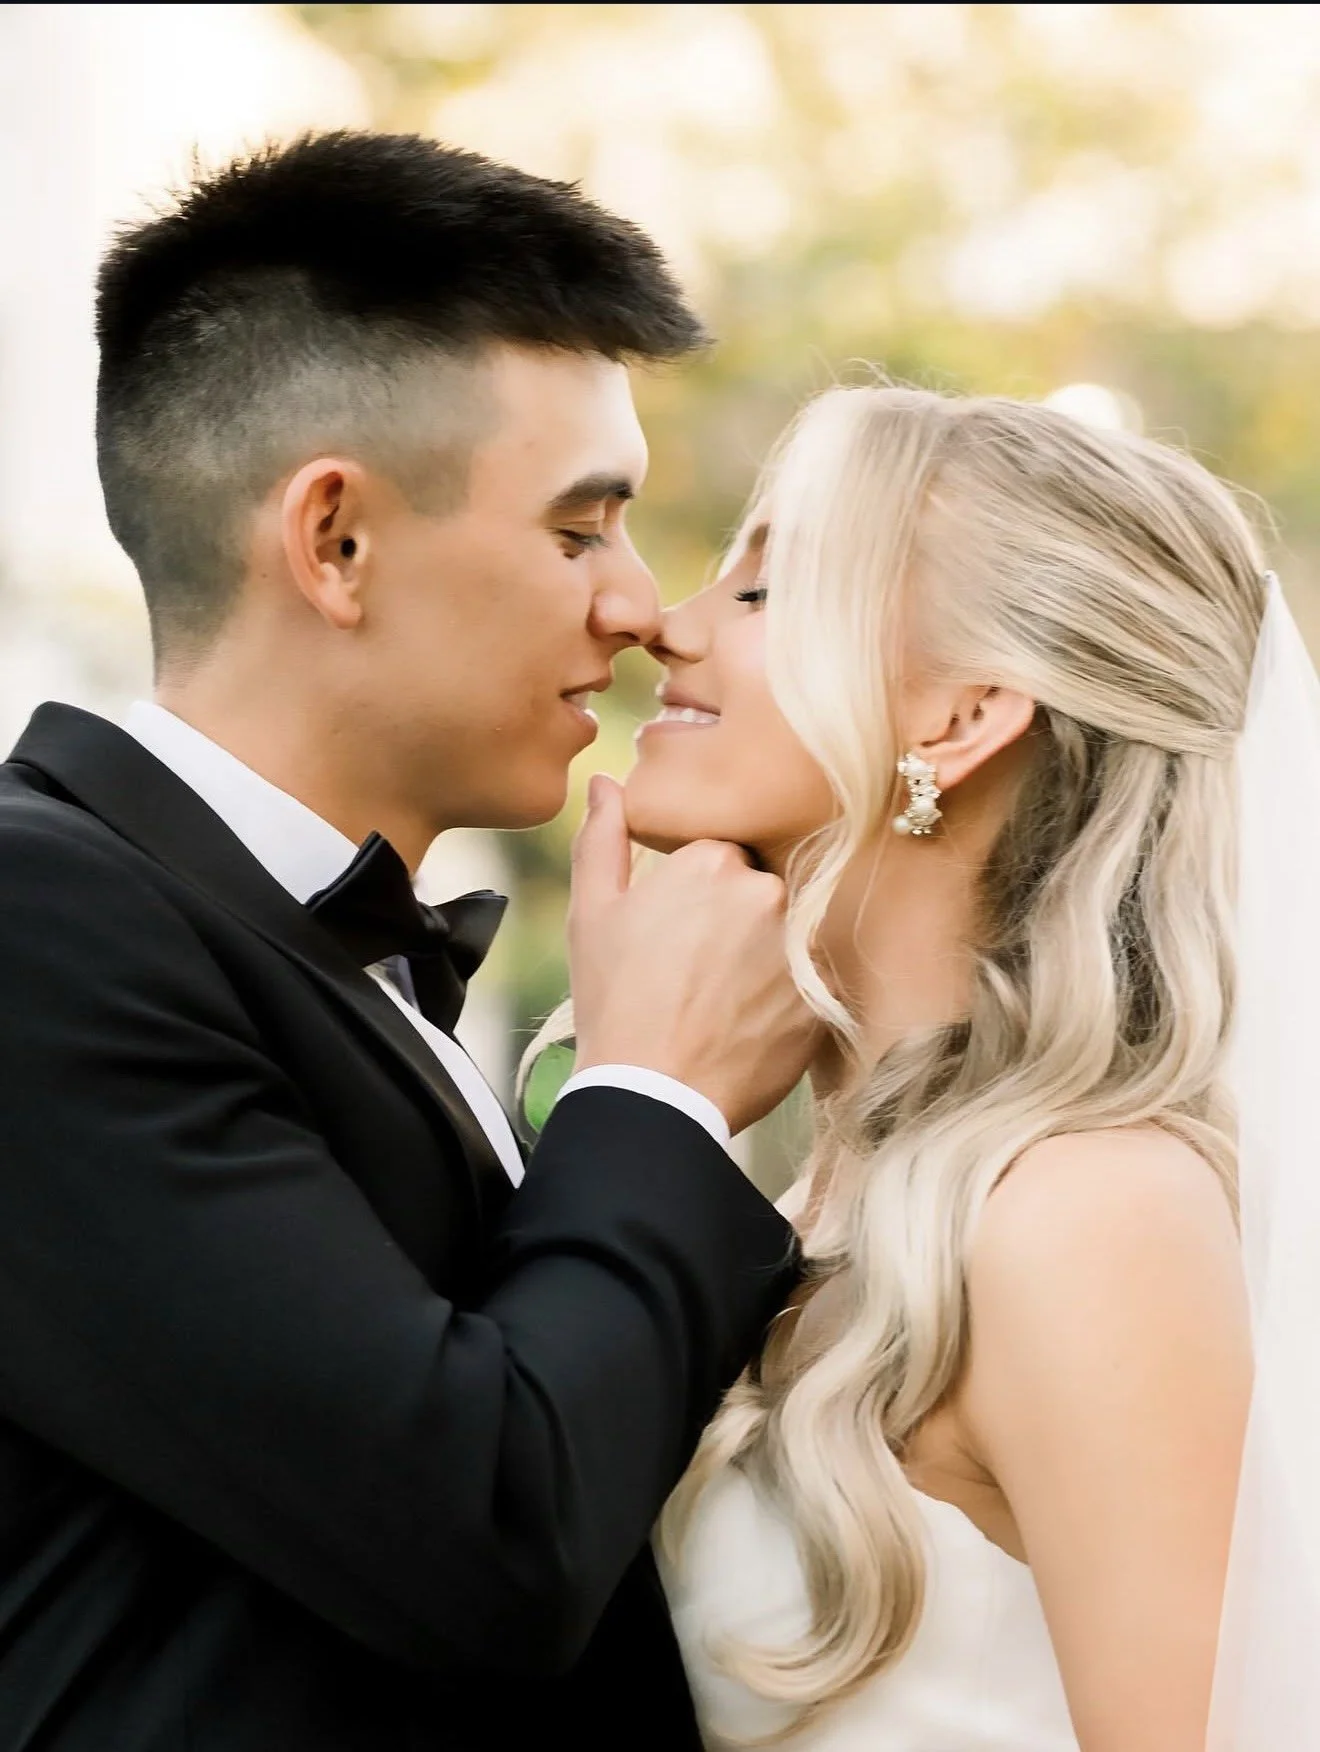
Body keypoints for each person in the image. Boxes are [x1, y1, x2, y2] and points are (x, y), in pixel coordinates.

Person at [0, 133, 817, 1751]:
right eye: (583, 530)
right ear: (334, 542)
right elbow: (486, 1536)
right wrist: (654, 1099)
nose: (642, 608)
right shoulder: (40, 926)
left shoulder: (296, 946)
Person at [629, 383, 1265, 1751]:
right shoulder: (815, 1207)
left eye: (763, 590)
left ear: (962, 717)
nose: (665, 627)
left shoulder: (1084, 1216)